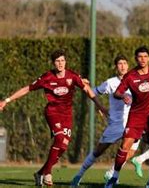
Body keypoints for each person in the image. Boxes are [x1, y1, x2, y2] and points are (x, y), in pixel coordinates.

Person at [0, 49, 107, 186]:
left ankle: (40, 173)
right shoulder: (47, 77)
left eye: (62, 60)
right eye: (57, 61)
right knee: (59, 138)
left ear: (65, 62)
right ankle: (48, 173)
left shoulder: (72, 76)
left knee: (63, 146)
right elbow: (27, 89)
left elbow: (86, 89)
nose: (60, 63)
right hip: (52, 112)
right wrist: (7, 100)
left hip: (67, 115)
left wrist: (100, 106)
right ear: (53, 63)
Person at [71, 55, 140, 187]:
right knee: (98, 151)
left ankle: (113, 174)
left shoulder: (135, 80)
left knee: (130, 150)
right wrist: (99, 106)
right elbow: (93, 92)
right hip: (115, 123)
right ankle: (79, 175)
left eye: (125, 63)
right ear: (116, 67)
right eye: (120, 64)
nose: (123, 66)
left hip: (132, 122)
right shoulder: (110, 82)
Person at [105, 46, 149, 188]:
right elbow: (117, 93)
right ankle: (113, 177)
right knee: (125, 146)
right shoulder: (130, 76)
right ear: (136, 59)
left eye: (145, 56)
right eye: (140, 57)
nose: (143, 59)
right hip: (136, 116)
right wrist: (124, 95)